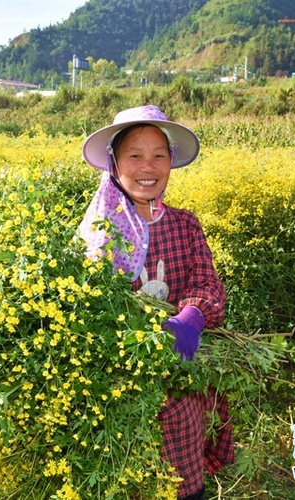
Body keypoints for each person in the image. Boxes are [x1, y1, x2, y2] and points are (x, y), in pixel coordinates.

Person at [78, 105, 234, 500]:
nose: (148, 166)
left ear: (172, 161)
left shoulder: (185, 224)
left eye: (159, 155)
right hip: (120, 388)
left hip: (181, 384)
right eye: (135, 155)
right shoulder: (100, 232)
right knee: (124, 478)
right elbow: (86, 305)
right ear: (114, 162)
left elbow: (206, 281)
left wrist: (193, 315)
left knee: (181, 485)